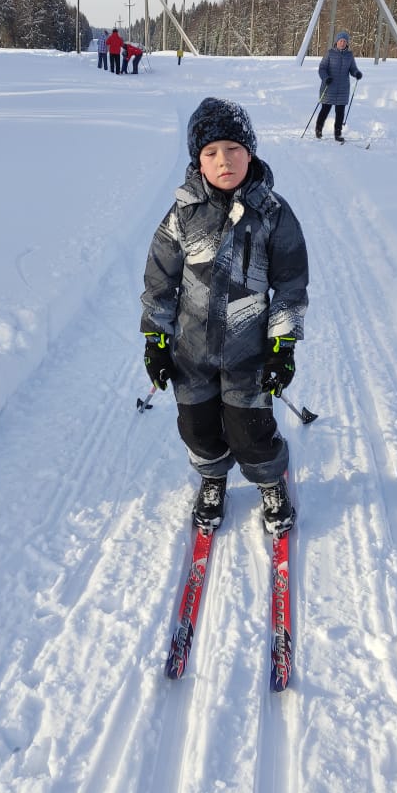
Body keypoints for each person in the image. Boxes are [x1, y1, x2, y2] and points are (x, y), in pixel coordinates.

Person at [141, 98, 309, 534]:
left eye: (233, 149)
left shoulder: (272, 213)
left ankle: (270, 479)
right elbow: (160, 281)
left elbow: (290, 284)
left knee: (250, 431)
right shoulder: (183, 214)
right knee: (197, 428)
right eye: (211, 152)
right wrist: (155, 340)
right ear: (198, 161)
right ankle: (213, 476)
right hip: (191, 353)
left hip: (247, 355)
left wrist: (281, 344)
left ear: (250, 152)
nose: (224, 160)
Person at [315, 29, 362, 142]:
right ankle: (318, 130)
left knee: (340, 112)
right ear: (336, 42)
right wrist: (326, 78)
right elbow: (322, 68)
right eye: (340, 41)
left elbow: (352, 69)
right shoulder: (330, 53)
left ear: (347, 43)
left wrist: (356, 73)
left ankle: (337, 134)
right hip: (329, 86)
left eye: (344, 41)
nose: (342, 43)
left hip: (342, 88)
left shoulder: (349, 55)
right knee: (325, 110)